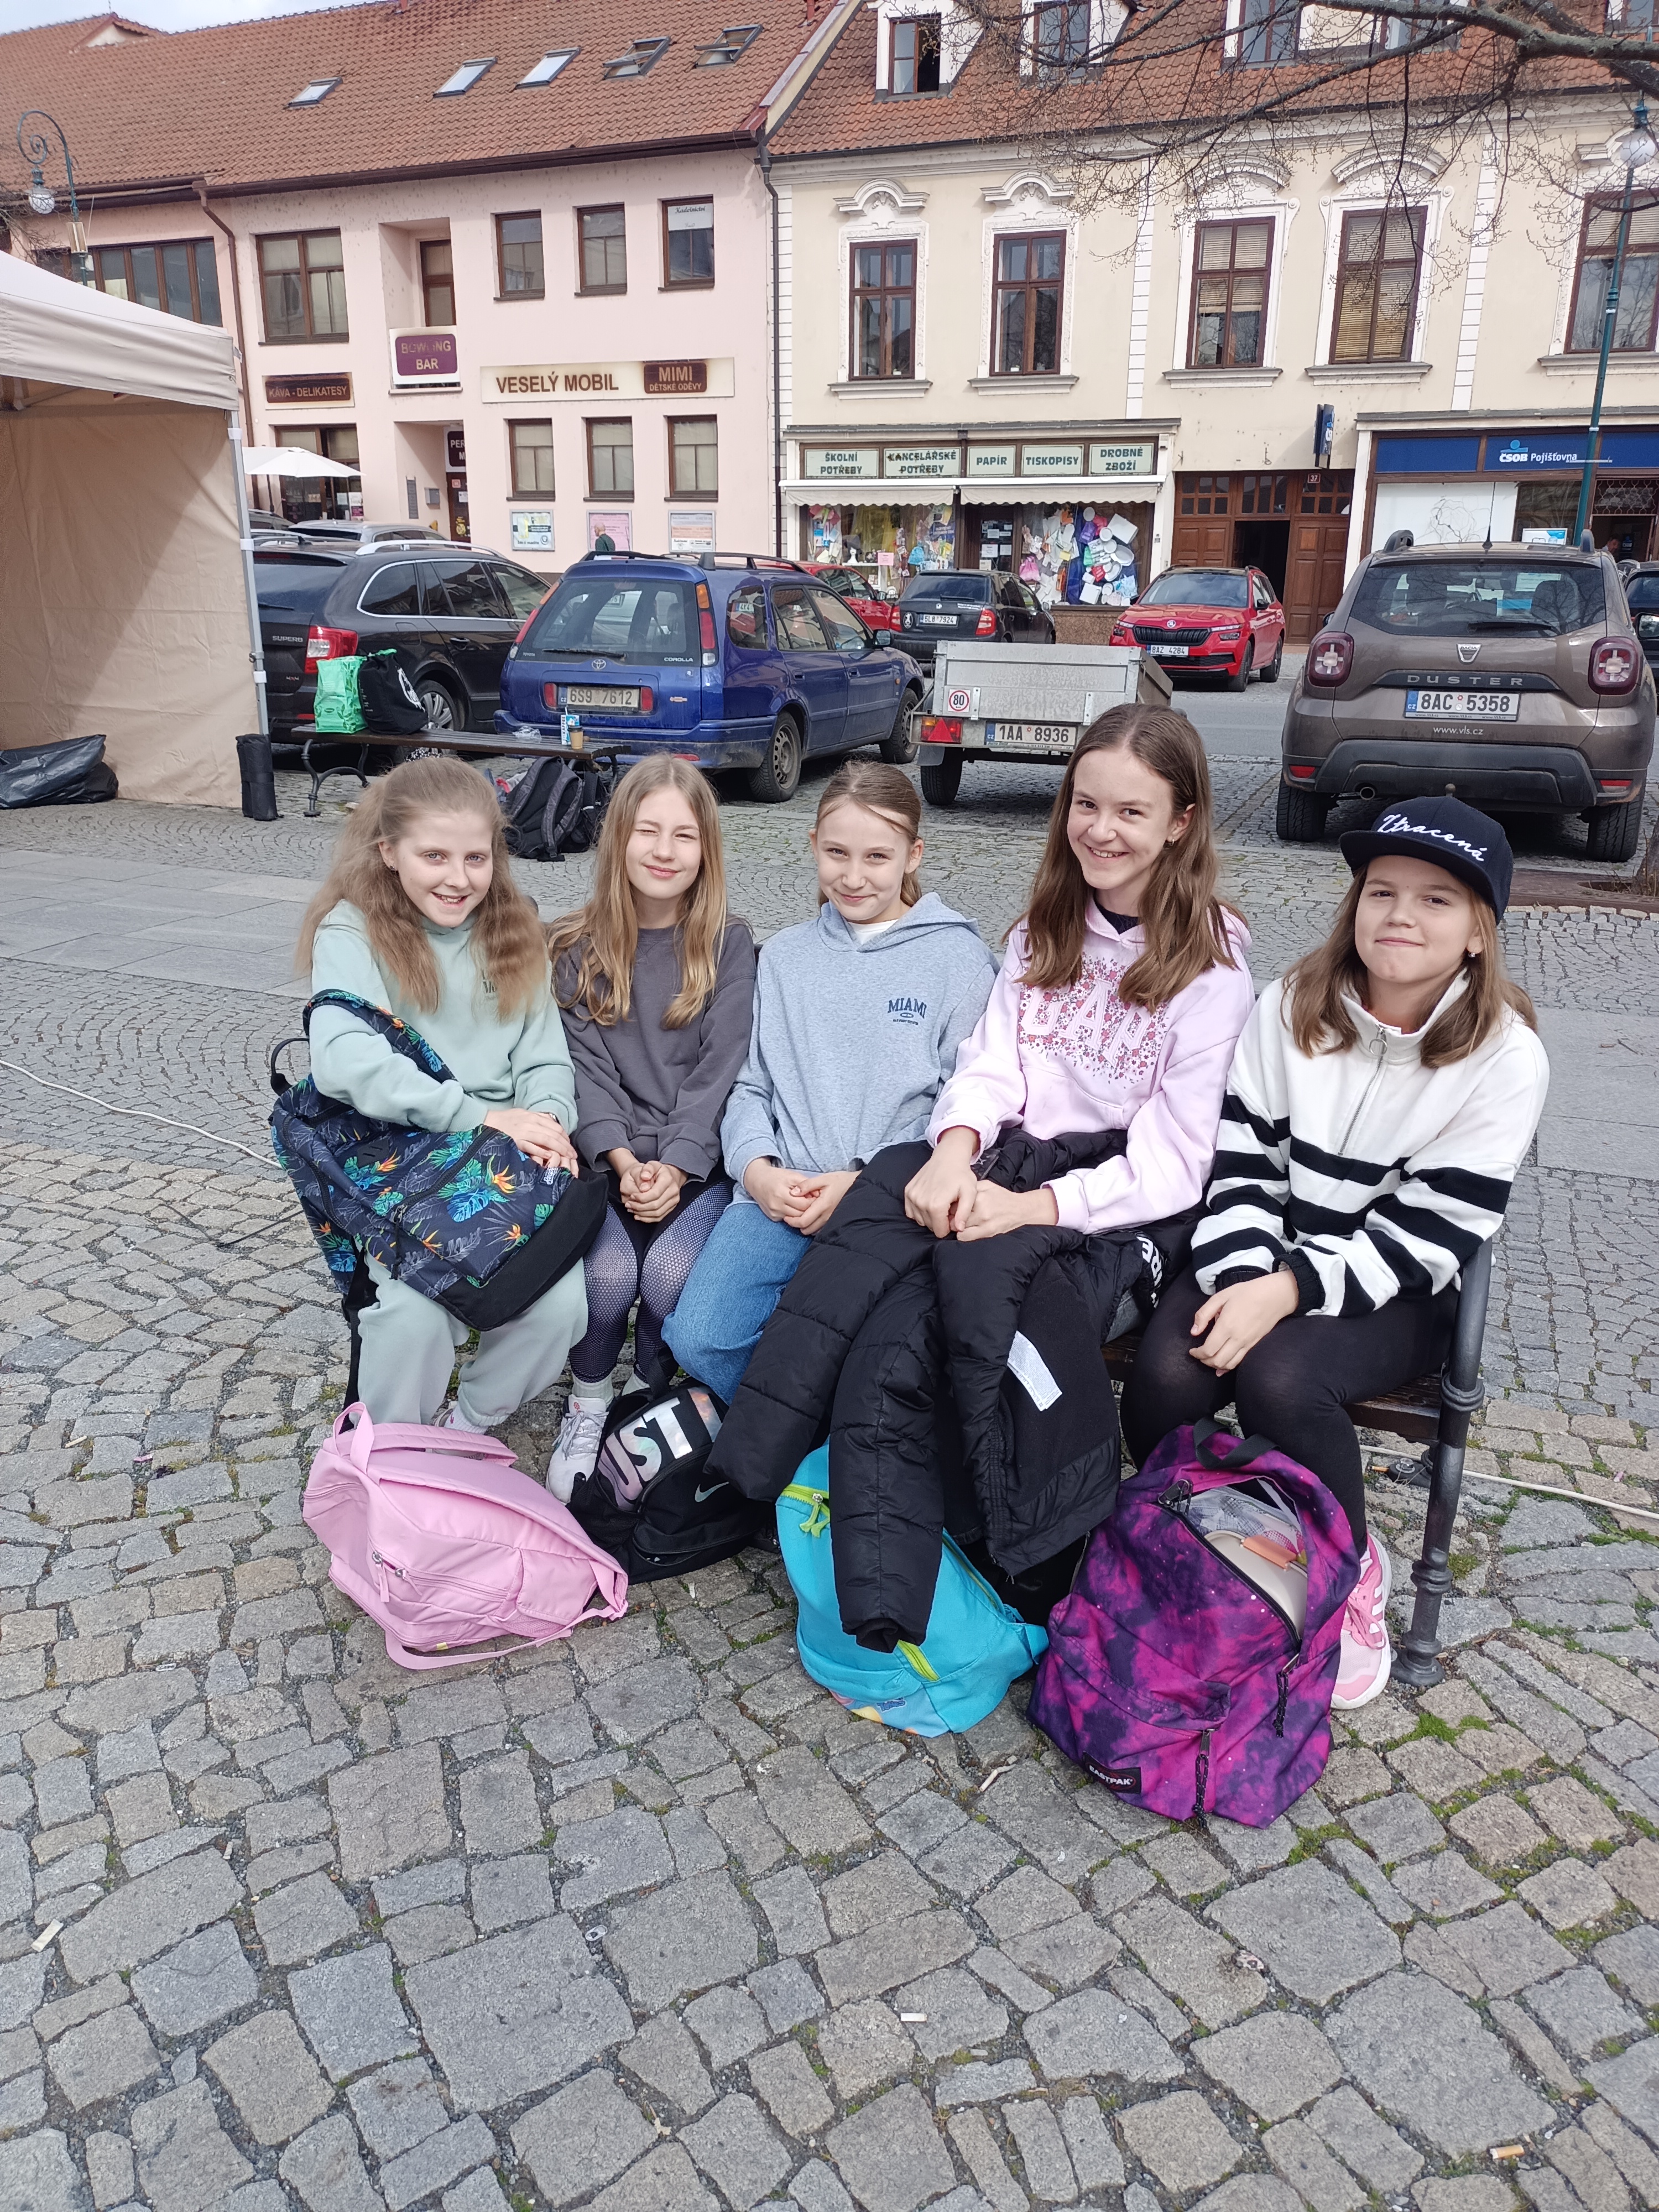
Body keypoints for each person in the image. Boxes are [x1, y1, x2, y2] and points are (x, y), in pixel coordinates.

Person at [1121, 797, 1550, 1710]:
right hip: (1262, 1245)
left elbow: (1432, 1233)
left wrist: (1284, 1295)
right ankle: (1205, 1537)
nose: (1401, 915)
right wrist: (1249, 1278)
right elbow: (1241, 1167)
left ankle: (1347, 1563)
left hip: (1399, 1286)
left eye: (1437, 899)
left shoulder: (1505, 1058)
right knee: (1168, 1372)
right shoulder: (1289, 1007)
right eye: (1382, 891)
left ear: (1480, 931)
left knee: (1281, 1380)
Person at [665, 759, 996, 1404]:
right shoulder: (785, 958)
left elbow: (960, 1101)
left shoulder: (959, 961)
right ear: (813, 845)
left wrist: (862, 1181)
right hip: (779, 1196)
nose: (854, 875)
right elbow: (751, 1085)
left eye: (877, 857)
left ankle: (824, 1437)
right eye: (837, 853)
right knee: (701, 1338)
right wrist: (758, 1172)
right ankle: (798, 1432)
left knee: (866, 1351)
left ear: (913, 855)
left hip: (887, 1200)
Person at [296, 758, 587, 1450]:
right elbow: (343, 1061)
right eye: (434, 856)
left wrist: (548, 1124)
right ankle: (393, 1454)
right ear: (389, 851)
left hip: (503, 1159)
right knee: (412, 1317)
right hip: (402, 1165)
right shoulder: (353, 930)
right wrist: (478, 1115)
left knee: (561, 1308)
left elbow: (545, 1059)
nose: (458, 878)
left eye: (475, 858)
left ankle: (466, 1429)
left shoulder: (513, 927)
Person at [905, 702, 1256, 1255]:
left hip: (1107, 1217)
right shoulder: (1042, 930)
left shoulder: (1211, 974)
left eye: (1131, 812)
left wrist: (1035, 1208)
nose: (1100, 830)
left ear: (1180, 823)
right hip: (1005, 1169)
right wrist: (953, 1149)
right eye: (1087, 804)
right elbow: (992, 1062)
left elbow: (1175, 1157)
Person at [543, 758, 755, 1495]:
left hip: (697, 1166)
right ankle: (589, 1398)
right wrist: (625, 1161)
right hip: (607, 1163)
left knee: (670, 1276)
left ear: (706, 849)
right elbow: (585, 1071)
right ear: (618, 839)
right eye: (647, 831)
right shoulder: (573, 948)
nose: (664, 851)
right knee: (607, 1276)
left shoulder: (728, 944)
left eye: (683, 835)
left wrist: (677, 1164)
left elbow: (722, 1067)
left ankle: (651, 1390)